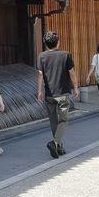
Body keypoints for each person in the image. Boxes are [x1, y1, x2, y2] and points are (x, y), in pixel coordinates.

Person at [37, 31, 79, 159]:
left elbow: (40, 75)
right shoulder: (65, 55)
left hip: (49, 94)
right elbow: (71, 72)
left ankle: (59, 147)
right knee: (63, 119)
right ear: (58, 42)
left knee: (53, 121)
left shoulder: (41, 56)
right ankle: (55, 143)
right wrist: (76, 87)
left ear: (45, 43)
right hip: (62, 94)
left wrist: (39, 91)